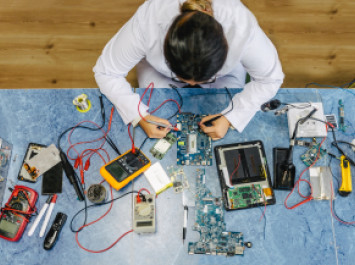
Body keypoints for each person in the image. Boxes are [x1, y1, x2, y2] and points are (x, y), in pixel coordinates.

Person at [93, 0, 284, 140]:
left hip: (224, 77)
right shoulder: (148, 22)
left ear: (226, 48)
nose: (191, 85)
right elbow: (106, 72)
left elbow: (270, 79)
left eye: (200, 80)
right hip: (159, 73)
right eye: (184, 77)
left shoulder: (242, 28)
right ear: (166, 46)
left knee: (225, 114)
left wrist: (232, 116)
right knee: (158, 108)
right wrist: (138, 114)